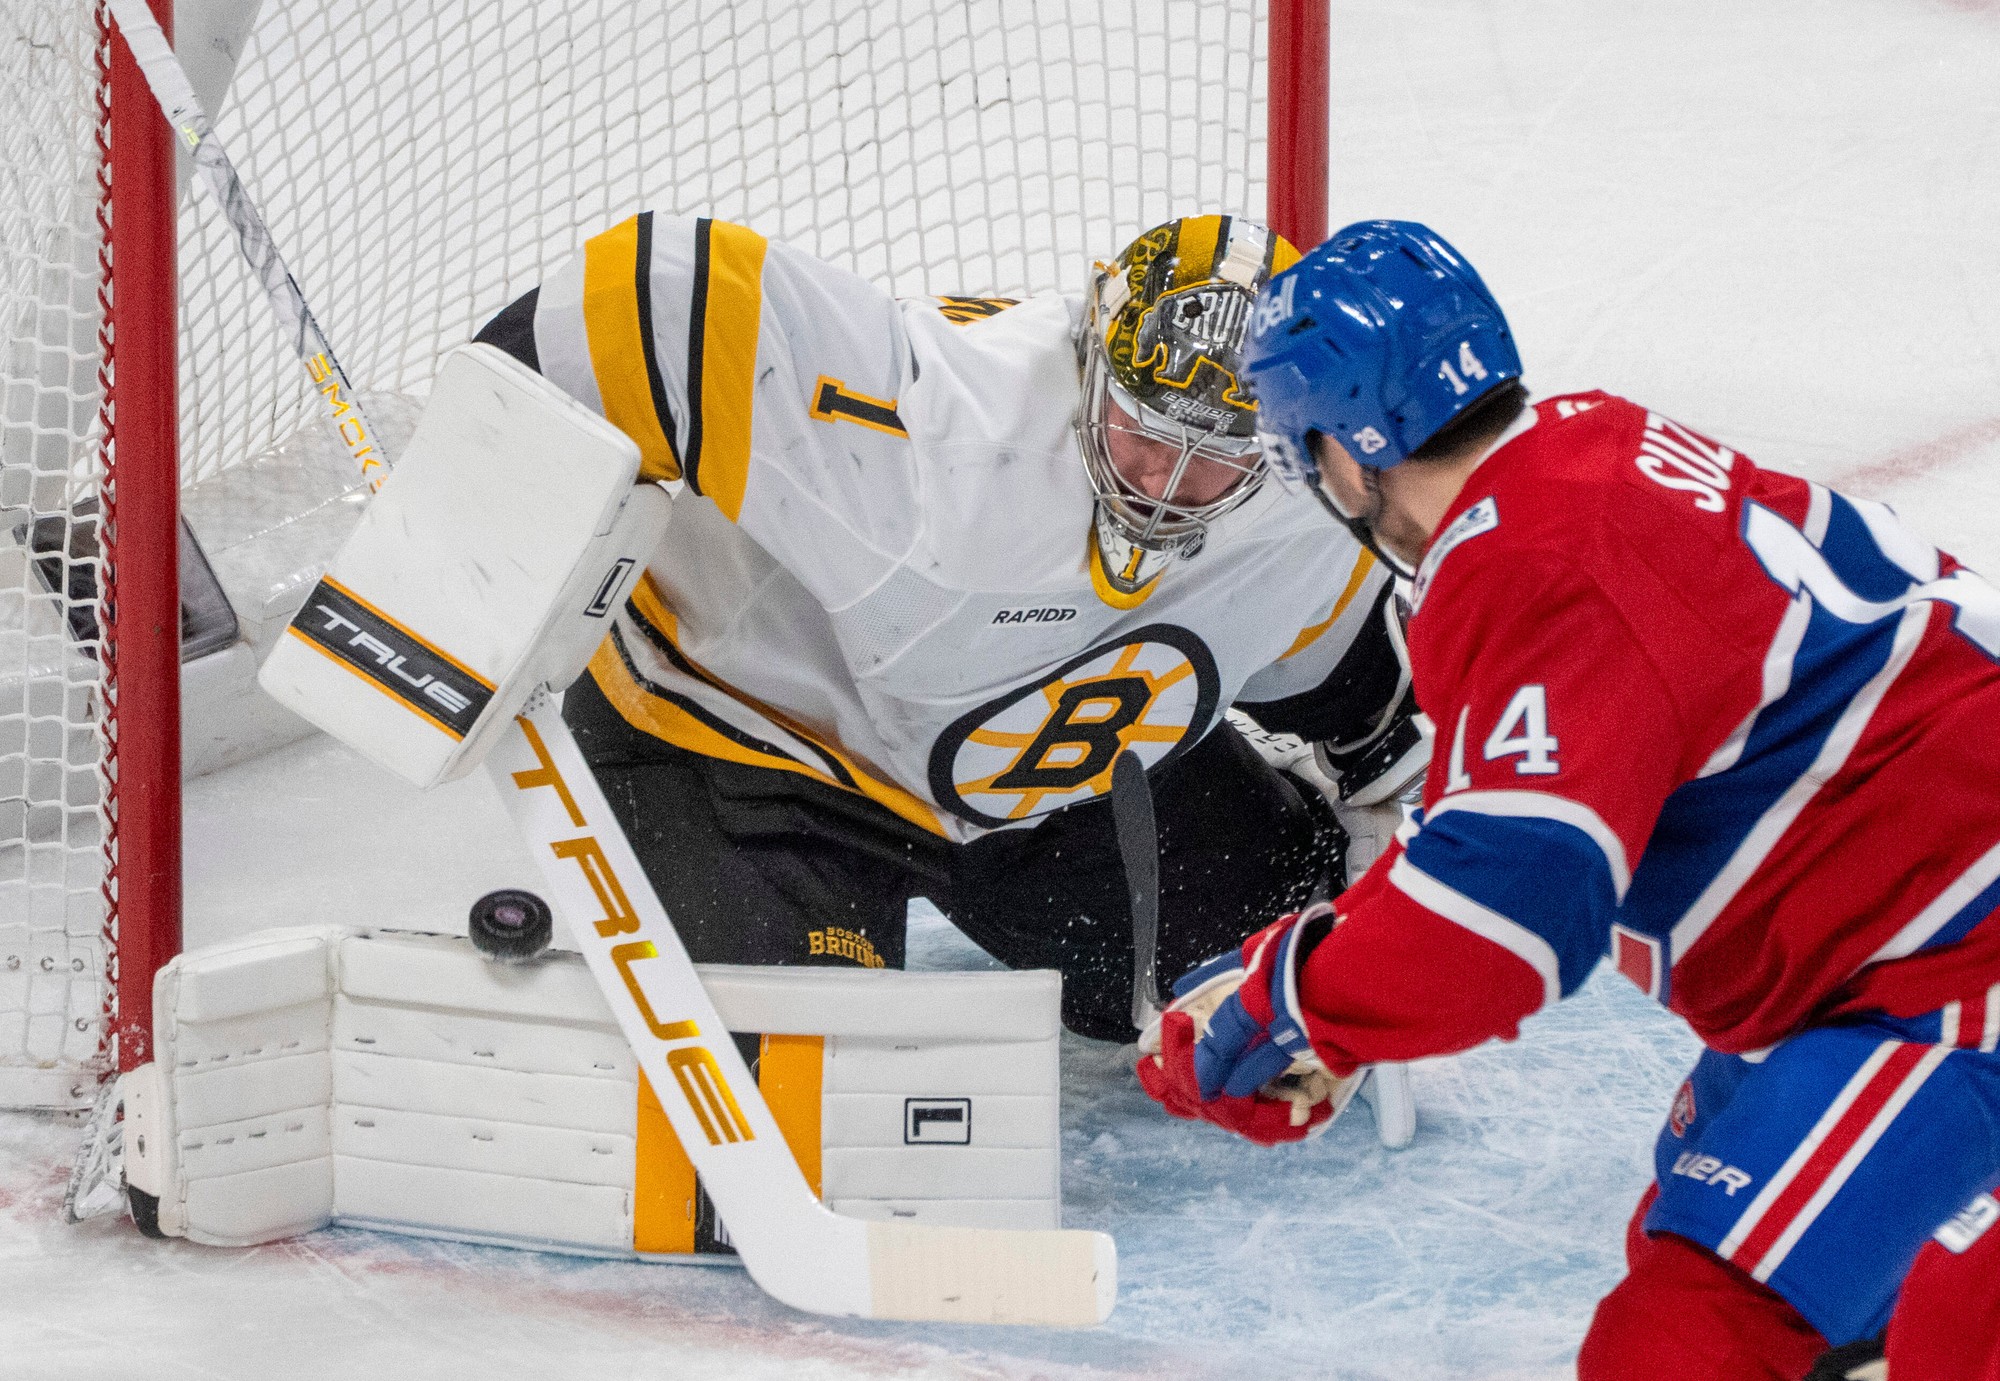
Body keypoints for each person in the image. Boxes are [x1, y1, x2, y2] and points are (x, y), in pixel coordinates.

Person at [1139, 220, 2000, 1377]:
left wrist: (1295, 1003)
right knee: (1728, 1224)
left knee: (1692, 1334)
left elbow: (1510, 914)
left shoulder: (1530, 562)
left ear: (1345, 452)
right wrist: (1332, 971)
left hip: (1949, 965)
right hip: (1886, 942)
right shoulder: (1576, 450)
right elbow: (1482, 818)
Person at [467, 212, 1427, 1042]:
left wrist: (1387, 909)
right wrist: (447, 536)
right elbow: (651, 297)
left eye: (1212, 458)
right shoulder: (939, 427)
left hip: (1041, 786)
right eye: (1145, 431)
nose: (1163, 485)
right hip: (745, 749)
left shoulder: (1305, 512)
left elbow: (1376, 717)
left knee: (1278, 957)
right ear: (1090, 353)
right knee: (815, 1093)